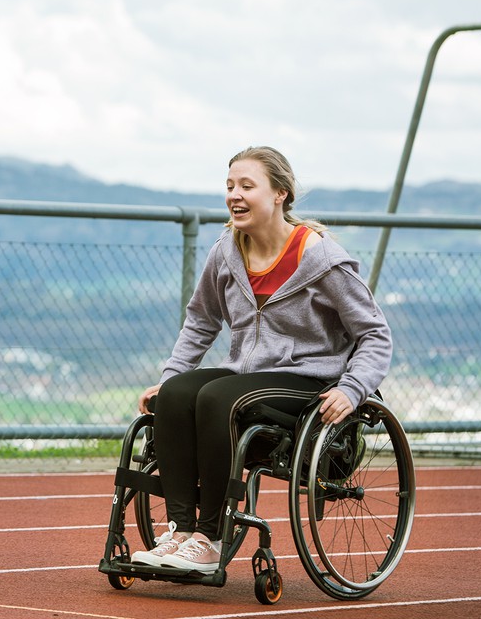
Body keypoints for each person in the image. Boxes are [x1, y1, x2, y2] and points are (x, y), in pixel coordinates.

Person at [130, 146, 392, 574]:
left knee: (218, 398)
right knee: (175, 394)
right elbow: (200, 321)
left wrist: (351, 389)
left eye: (246, 186)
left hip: (309, 380)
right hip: (247, 375)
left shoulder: (321, 258)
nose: (234, 195)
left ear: (279, 194)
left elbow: (375, 334)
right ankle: (180, 531)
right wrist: (172, 375)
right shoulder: (226, 250)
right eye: (230, 186)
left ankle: (209, 538)